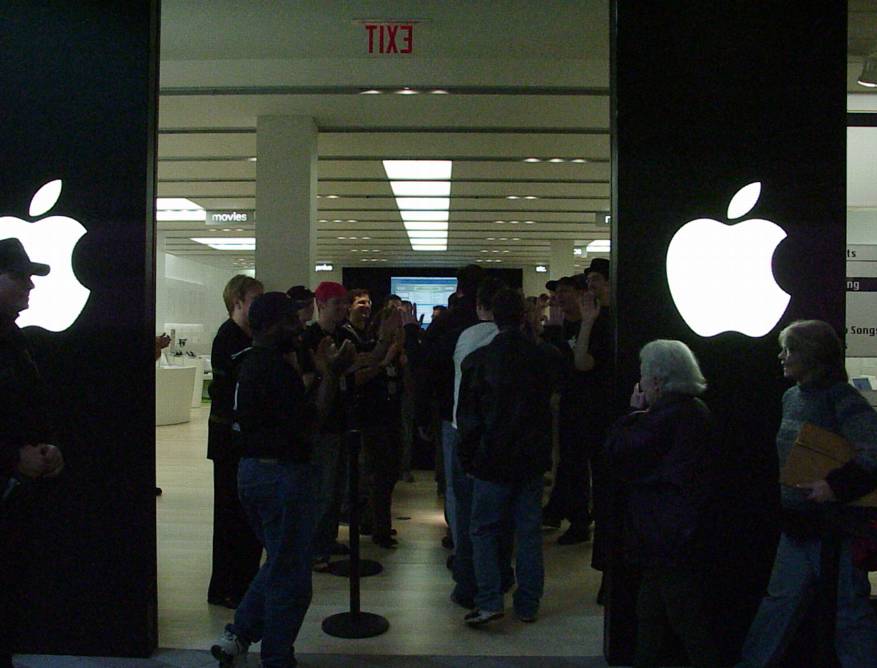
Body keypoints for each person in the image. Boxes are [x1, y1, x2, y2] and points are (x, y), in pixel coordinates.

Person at [210, 291, 350, 668]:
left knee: (281, 561)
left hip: (253, 474)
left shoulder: (251, 363)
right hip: (280, 477)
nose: (300, 324)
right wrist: (330, 374)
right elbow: (311, 423)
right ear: (271, 325)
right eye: (291, 319)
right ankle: (276, 656)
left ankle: (238, 635)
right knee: (291, 577)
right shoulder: (273, 368)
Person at [737, 320, 877, 668]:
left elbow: (874, 449)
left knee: (849, 611)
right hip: (800, 523)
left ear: (810, 355)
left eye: (789, 349)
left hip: (836, 527)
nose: (781, 356)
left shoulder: (840, 397)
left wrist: (835, 486)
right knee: (782, 605)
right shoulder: (792, 396)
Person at [606, 339, 721, 667]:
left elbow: (619, 452)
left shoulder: (663, 418)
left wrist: (632, 415)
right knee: (655, 610)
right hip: (678, 530)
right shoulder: (694, 411)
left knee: (681, 615)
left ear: (657, 380)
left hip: (667, 533)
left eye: (643, 374)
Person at [457, 288, 560, 626]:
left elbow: (469, 418)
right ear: (523, 316)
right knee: (528, 533)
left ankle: (489, 599)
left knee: (484, 531)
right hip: (530, 457)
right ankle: (528, 604)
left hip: (490, 459)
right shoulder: (544, 356)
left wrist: (468, 459)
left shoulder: (479, 360)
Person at [0, 238, 64, 668]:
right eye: (19, 277)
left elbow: (32, 407)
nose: (30, 287)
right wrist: (11, 457)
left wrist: (48, 448)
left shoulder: (15, 339)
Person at [206, 274, 264, 609]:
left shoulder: (246, 336)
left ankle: (242, 582)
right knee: (230, 514)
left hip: (241, 438)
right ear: (237, 301)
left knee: (244, 515)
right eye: (254, 298)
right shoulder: (228, 337)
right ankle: (227, 587)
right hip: (229, 438)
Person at [300, 281, 352, 568]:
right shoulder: (309, 338)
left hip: (340, 418)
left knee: (336, 486)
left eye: (345, 303)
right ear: (321, 305)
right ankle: (316, 546)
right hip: (322, 423)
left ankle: (327, 539)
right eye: (337, 304)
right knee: (323, 487)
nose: (343, 309)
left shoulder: (343, 335)